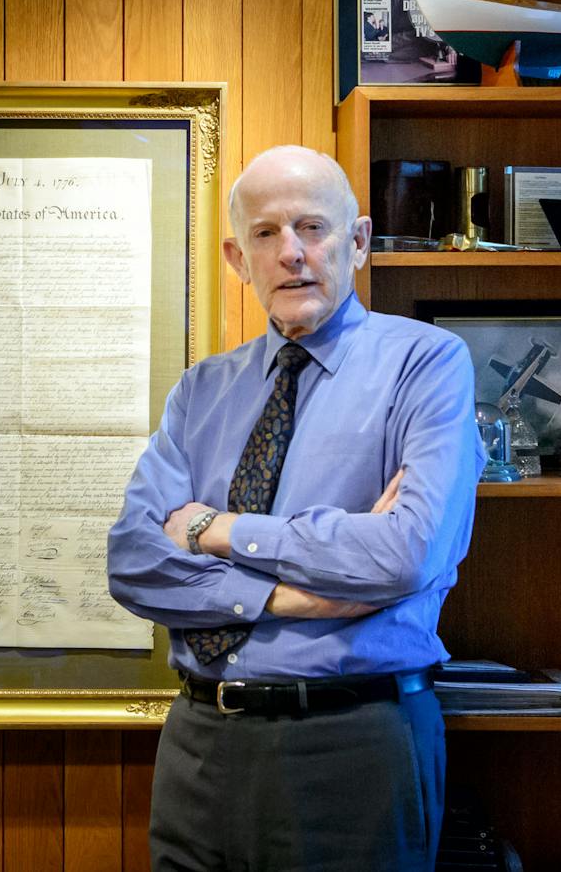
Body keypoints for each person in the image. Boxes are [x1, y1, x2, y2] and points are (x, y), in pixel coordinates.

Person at [108, 145, 483, 872]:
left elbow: (407, 552)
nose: (291, 254)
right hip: (197, 742)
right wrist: (287, 597)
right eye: (266, 234)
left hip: (352, 739)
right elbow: (132, 562)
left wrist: (217, 530)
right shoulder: (200, 391)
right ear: (236, 257)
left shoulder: (428, 365)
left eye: (313, 228)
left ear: (360, 242)